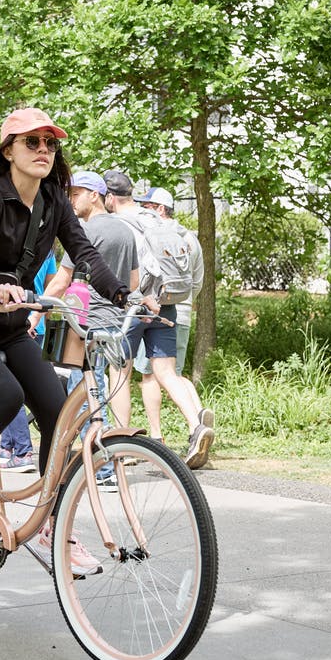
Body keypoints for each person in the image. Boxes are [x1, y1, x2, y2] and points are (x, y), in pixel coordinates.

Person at [0, 107, 156, 577]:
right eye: (32, 142)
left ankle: (50, 523)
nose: (43, 150)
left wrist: (123, 293)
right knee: (5, 395)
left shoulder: (52, 199)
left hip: (12, 327)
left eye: (50, 144)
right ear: (8, 150)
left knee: (58, 414)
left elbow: (83, 251)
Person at [101, 169, 215, 468]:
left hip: (134, 305)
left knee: (120, 372)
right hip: (166, 304)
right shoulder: (156, 220)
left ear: (110, 198)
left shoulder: (119, 224)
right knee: (166, 373)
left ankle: (121, 446)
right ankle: (195, 425)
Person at [41, 170, 143, 491]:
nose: (71, 201)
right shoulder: (126, 232)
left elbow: (61, 280)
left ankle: (101, 469)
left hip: (87, 325)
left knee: (86, 397)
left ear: (95, 195)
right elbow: (135, 283)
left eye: (76, 194)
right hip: (116, 324)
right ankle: (106, 460)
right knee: (102, 393)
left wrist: (36, 311)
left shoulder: (82, 232)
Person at [132, 187, 207, 455]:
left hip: (154, 308)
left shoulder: (150, 235)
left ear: (161, 209)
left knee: (150, 375)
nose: (143, 210)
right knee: (172, 373)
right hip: (181, 311)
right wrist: (182, 301)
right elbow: (196, 283)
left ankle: (156, 436)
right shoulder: (190, 239)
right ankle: (198, 419)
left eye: (148, 206)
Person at [0, 250, 60, 472]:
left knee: (14, 389)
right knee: (26, 389)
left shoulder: (17, 248)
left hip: (21, 323)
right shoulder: (48, 252)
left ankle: (23, 450)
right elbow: (52, 288)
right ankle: (7, 447)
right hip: (38, 322)